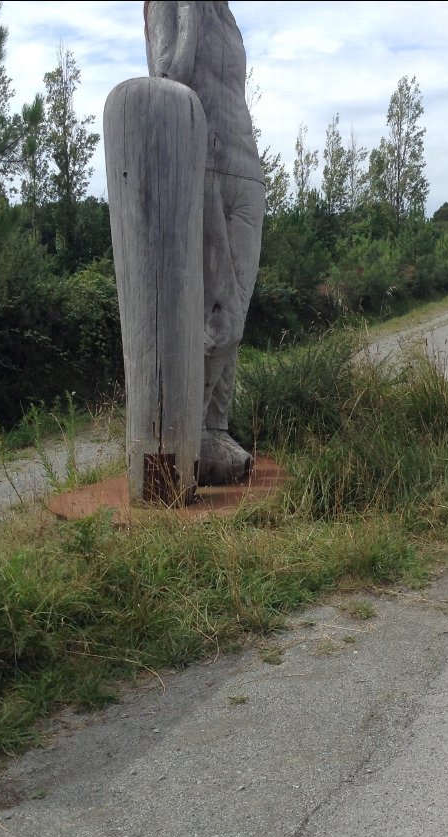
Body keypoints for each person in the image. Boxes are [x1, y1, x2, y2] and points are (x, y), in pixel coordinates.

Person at [144, 0, 266, 486]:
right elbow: (166, 76)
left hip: (246, 167)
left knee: (237, 305)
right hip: (204, 161)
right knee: (219, 313)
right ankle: (183, 433)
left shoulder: (231, 17)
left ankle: (214, 428)